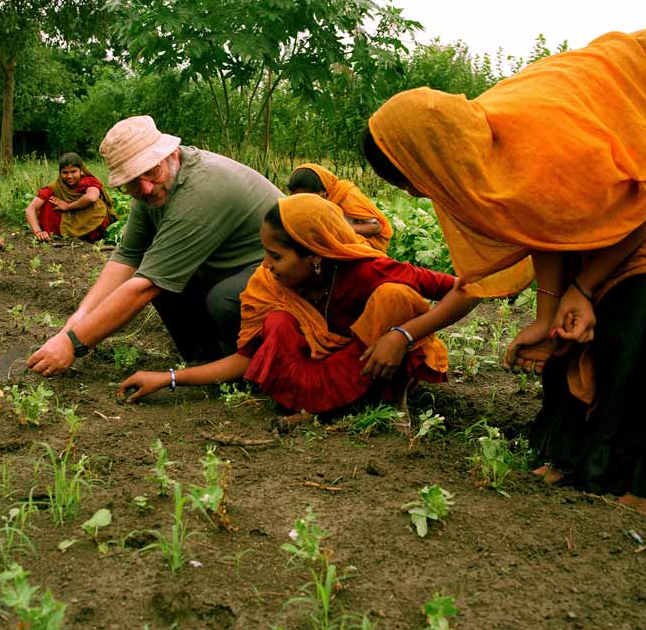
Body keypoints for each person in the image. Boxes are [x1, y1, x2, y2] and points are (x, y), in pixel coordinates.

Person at [363, 27, 646, 513]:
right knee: (567, 330)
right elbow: (543, 221)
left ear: (430, 158)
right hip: (606, 176)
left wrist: (587, 286)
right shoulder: (484, 142)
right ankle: (569, 453)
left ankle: (642, 481)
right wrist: (550, 312)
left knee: (635, 317)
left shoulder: (543, 133)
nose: (415, 196)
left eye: (410, 183)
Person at [118, 194, 479, 422]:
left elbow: (470, 288)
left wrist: (404, 334)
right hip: (315, 377)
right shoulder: (270, 283)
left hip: (375, 367)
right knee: (276, 321)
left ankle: (391, 404)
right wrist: (168, 379)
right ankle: (322, 410)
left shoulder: (369, 269)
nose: (267, 264)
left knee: (395, 298)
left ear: (314, 255)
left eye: (276, 255)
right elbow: (248, 358)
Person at [27, 115, 283, 375]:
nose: (146, 188)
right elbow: (127, 256)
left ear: (170, 154)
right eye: (132, 182)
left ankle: (253, 368)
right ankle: (205, 359)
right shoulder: (152, 188)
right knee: (160, 274)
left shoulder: (200, 190)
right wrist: (74, 324)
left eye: (151, 171)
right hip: (231, 267)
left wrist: (73, 344)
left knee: (223, 298)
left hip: (286, 278)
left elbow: (145, 287)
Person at [287, 163, 393, 252]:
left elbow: (376, 227)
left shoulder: (346, 195)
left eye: (307, 198)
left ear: (323, 192)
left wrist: (339, 228)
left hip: (362, 244)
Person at [25, 152, 115, 242]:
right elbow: (30, 209)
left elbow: (92, 198)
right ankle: (54, 234)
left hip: (88, 226)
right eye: (65, 172)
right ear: (60, 173)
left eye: (73, 172)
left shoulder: (88, 181)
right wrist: (38, 232)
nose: (69, 176)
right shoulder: (56, 187)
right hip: (60, 230)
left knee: (97, 205)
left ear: (81, 171)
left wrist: (68, 206)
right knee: (48, 203)